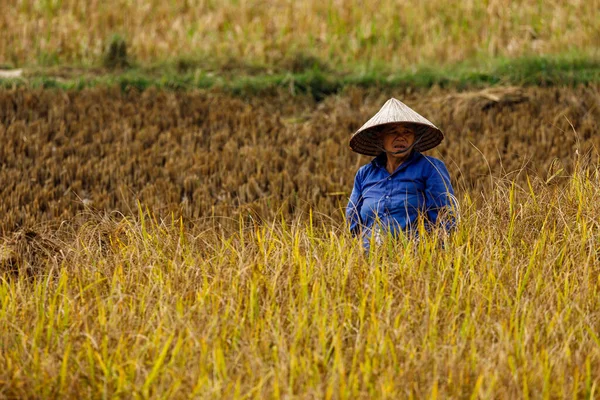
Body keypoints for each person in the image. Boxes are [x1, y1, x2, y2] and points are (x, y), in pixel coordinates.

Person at [346, 98, 457, 250]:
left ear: (414, 138)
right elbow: (353, 221)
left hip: (415, 257)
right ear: (380, 138)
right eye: (393, 132)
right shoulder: (364, 174)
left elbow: (445, 218)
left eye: (407, 132)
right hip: (369, 260)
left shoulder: (430, 168)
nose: (401, 137)